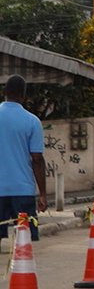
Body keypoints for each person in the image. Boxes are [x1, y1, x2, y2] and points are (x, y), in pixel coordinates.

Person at [0, 75, 46, 246]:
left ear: (4, 92)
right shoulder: (32, 121)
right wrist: (42, 193)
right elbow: (37, 159)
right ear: (24, 95)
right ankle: (22, 271)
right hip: (23, 189)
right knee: (25, 240)